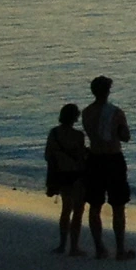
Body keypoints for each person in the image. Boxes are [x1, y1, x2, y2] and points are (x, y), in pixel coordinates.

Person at [81, 75, 136, 260]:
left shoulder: (86, 112)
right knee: (118, 206)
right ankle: (120, 250)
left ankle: (99, 248)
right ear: (108, 91)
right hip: (113, 159)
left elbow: (91, 134)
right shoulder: (116, 112)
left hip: (94, 159)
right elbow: (125, 136)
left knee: (95, 205)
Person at [44, 103, 90, 255]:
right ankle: (74, 247)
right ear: (75, 117)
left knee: (65, 210)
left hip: (61, 174)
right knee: (78, 211)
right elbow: (81, 157)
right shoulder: (78, 136)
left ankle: (62, 245)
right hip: (77, 175)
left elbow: (48, 156)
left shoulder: (54, 133)